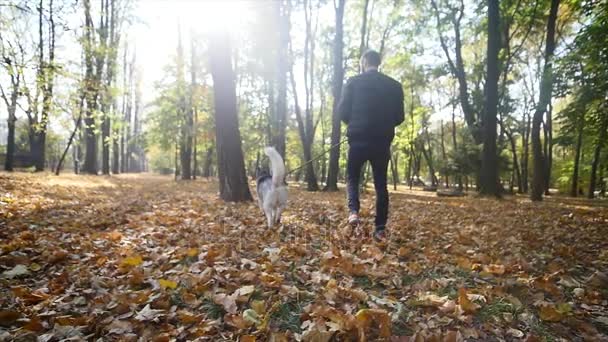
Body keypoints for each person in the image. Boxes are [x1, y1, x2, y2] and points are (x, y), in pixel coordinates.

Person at [338, 49, 404, 241]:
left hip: (358, 138)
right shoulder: (394, 85)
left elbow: (342, 112)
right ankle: (380, 228)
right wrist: (383, 124)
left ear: (364, 63)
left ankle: (353, 213)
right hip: (382, 141)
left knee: (352, 177)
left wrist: (356, 122)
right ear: (379, 63)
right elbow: (399, 117)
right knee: (381, 184)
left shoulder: (352, 82)